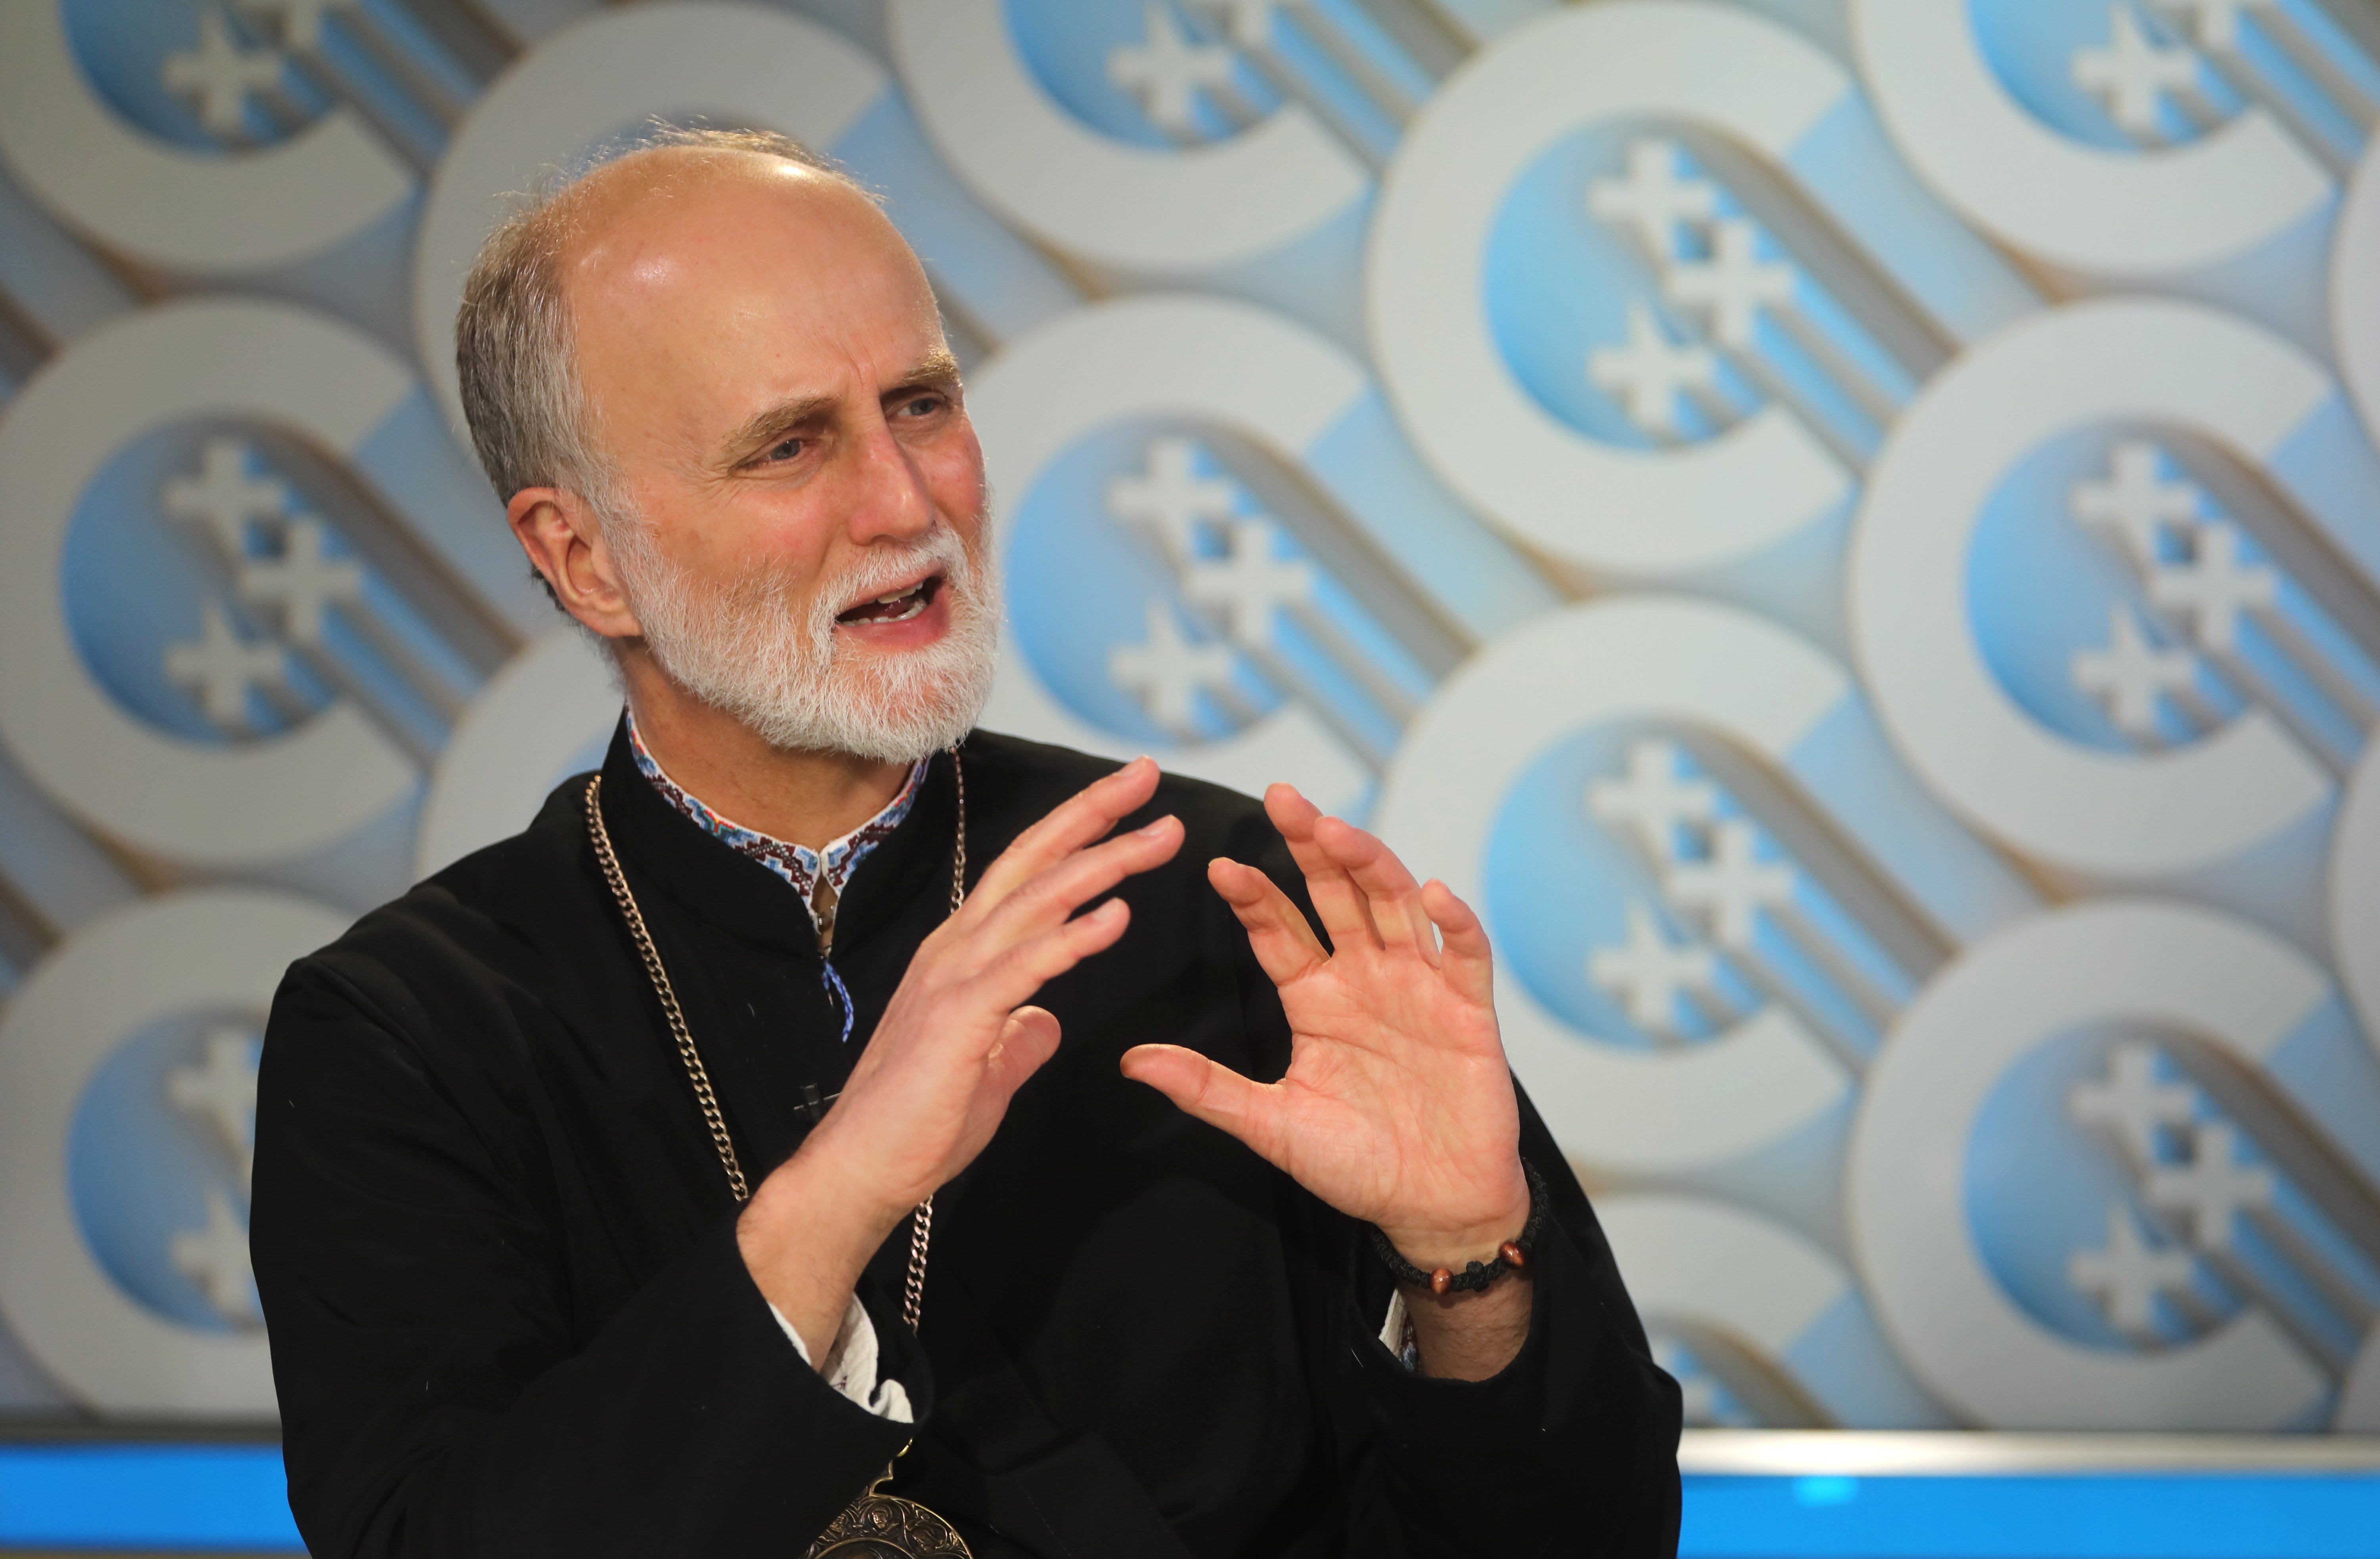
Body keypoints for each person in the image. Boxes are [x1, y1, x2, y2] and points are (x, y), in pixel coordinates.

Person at [251, 127, 1680, 1559]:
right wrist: (841, 1192)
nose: (904, 501)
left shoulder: (1220, 901)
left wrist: (1469, 1265)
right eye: (792, 444)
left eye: (920, 404)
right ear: (584, 558)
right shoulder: (405, 1035)